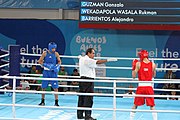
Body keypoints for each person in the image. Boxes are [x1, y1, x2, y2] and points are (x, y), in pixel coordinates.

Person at [77, 48, 117, 120]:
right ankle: (88, 116)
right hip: (88, 80)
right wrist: (107, 60)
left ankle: (79, 114)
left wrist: (80, 57)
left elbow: (82, 58)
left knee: (82, 97)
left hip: (82, 80)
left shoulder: (82, 59)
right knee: (88, 98)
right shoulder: (87, 60)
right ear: (88, 53)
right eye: (93, 53)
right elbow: (98, 62)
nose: (94, 55)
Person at [130, 50, 157, 120]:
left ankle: (131, 119)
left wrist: (133, 67)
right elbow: (154, 75)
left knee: (135, 105)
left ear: (141, 55)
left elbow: (133, 76)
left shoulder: (138, 64)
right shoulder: (153, 64)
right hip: (149, 87)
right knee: (152, 105)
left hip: (141, 87)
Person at [38, 42, 61, 106]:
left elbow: (59, 61)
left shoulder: (56, 54)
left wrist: (58, 67)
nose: (54, 49)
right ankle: (42, 101)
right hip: (46, 72)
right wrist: (46, 65)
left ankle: (56, 102)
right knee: (44, 87)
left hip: (53, 72)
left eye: (55, 48)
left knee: (55, 87)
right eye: (53, 48)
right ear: (50, 48)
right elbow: (39, 61)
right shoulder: (45, 53)